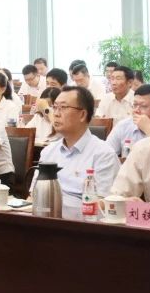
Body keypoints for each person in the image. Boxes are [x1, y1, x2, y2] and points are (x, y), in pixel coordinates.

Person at [37, 86, 119, 217]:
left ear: (82, 115)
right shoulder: (48, 152)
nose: (56, 113)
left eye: (63, 108)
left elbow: (103, 205)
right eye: (55, 107)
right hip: (46, 219)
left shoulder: (104, 154)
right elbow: (34, 196)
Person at [106, 84, 150, 153]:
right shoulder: (124, 125)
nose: (136, 110)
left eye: (143, 106)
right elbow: (106, 153)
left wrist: (149, 130)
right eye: (135, 105)